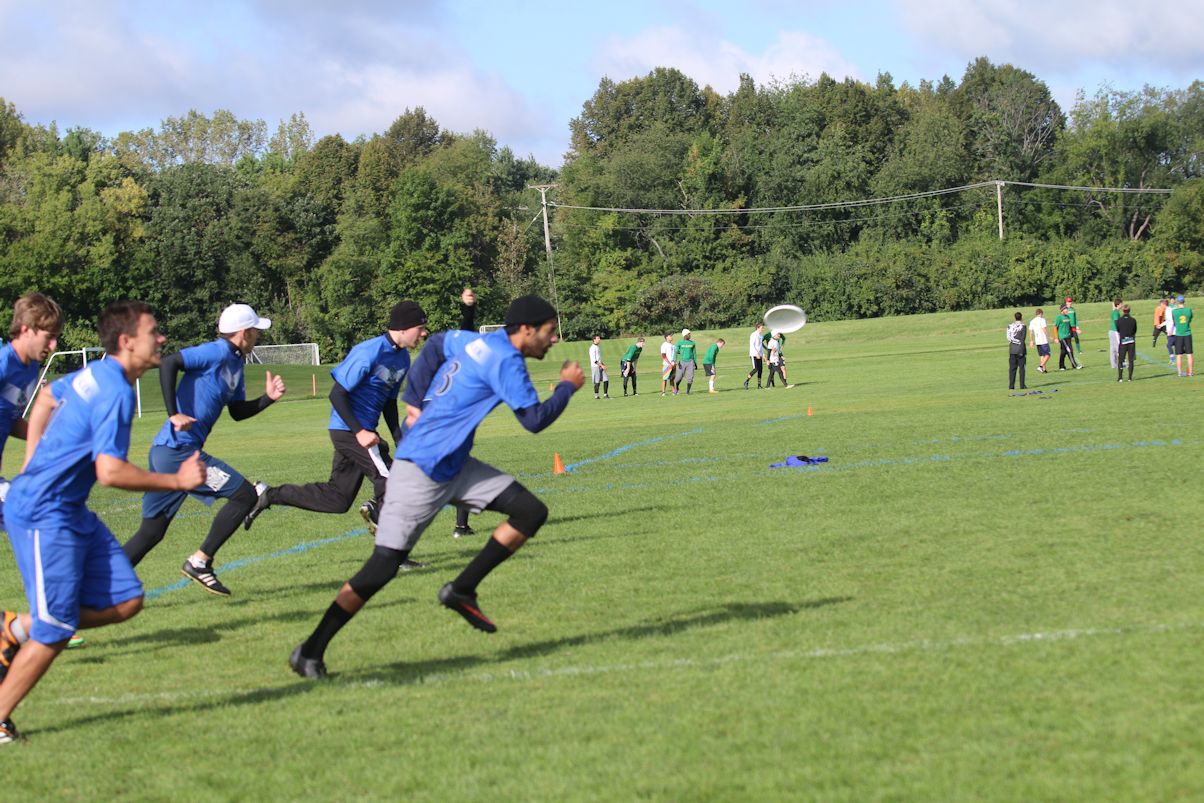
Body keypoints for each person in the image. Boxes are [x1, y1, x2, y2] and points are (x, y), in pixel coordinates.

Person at [287, 295, 584, 679]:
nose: (554, 339)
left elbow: (438, 344)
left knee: (530, 511)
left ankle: (462, 589)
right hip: (422, 470)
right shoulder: (507, 361)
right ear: (527, 330)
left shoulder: (477, 341)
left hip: (454, 464)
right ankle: (309, 651)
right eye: (550, 331)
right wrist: (566, 387)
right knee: (381, 568)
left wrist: (413, 399)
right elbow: (534, 420)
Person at [0, 300, 206, 744]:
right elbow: (109, 472)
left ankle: (14, 629)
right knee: (57, 629)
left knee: (127, 599)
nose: (162, 338)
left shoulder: (98, 373)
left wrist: (31, 456)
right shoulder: (114, 390)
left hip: (71, 510)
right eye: (154, 332)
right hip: (42, 511)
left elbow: (48, 397)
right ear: (127, 341)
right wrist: (177, 480)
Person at [241, 299, 431, 565]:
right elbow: (337, 394)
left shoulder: (402, 359)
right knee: (391, 481)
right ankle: (391, 554)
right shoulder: (368, 352)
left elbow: (388, 403)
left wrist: (400, 438)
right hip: (349, 431)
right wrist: (359, 431)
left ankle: (268, 494)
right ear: (403, 328)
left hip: (361, 433)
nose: (424, 333)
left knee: (337, 499)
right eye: (420, 328)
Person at [121, 303, 285, 597]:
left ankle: (99, 585)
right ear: (244, 333)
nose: (258, 336)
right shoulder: (217, 351)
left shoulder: (235, 364)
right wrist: (173, 414)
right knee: (245, 495)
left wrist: (268, 398)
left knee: (151, 532)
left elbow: (237, 411)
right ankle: (200, 562)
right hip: (179, 453)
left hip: (169, 453)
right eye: (255, 331)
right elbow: (169, 362)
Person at [0, 294, 62, 485]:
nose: (53, 346)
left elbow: (9, 419)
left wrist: (50, 437)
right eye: (49, 337)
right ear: (26, 330)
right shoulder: (3, 365)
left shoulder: (31, 368)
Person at [1172, 295, 1194, 377]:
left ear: (1177, 302)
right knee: (1189, 354)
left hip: (1178, 335)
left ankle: (1179, 373)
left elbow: (1174, 321)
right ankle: (1191, 372)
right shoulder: (1189, 310)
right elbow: (1190, 319)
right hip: (1187, 334)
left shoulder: (1174, 312)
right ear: (1184, 301)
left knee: (1179, 355)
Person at [1115, 304, 1137, 382]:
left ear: (1123, 311)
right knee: (1131, 360)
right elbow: (1135, 330)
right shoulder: (1133, 320)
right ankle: (1130, 378)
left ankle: (1120, 377)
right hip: (1131, 341)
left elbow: (1118, 330)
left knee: (1121, 360)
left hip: (1123, 342)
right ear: (1129, 310)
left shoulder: (1119, 320)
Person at [1054, 305, 1080, 371]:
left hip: (1068, 336)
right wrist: (1056, 338)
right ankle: (1074, 365)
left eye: (1067, 309)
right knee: (1069, 350)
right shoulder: (1059, 317)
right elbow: (1055, 328)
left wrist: (1075, 331)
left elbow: (1070, 327)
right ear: (1062, 310)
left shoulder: (1068, 317)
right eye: (1065, 309)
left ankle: (1061, 366)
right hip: (1062, 337)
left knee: (1063, 351)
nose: (1067, 310)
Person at [672, 329, 697, 395]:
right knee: (678, 378)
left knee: (690, 378)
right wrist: (674, 360)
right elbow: (675, 352)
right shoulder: (680, 342)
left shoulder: (692, 343)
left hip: (690, 362)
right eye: (689, 334)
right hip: (682, 362)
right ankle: (677, 388)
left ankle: (687, 392)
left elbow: (694, 353)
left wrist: (695, 362)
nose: (690, 335)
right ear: (685, 335)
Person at [1007, 312, 1027, 390]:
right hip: (1020, 349)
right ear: (1021, 317)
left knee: (1012, 369)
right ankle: (1022, 385)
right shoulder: (1023, 326)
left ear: (1014, 317)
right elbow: (1023, 339)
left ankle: (1011, 386)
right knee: (1021, 368)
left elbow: (1008, 338)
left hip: (1012, 349)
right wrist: (1022, 350)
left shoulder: (1010, 326)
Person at [1028, 308, 1051, 373]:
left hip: (1037, 340)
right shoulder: (1042, 320)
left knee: (1042, 355)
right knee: (1048, 354)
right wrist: (1049, 336)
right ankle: (1040, 366)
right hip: (1043, 340)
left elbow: (1031, 332)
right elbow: (1044, 329)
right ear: (1041, 313)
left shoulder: (1032, 321)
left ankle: (1044, 369)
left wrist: (1031, 340)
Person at [744, 322, 765, 390]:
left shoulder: (761, 336)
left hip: (760, 355)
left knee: (760, 370)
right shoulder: (753, 334)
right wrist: (756, 353)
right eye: (762, 328)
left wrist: (763, 355)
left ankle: (759, 385)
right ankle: (746, 381)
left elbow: (760, 347)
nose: (763, 329)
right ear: (758, 328)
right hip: (754, 355)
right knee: (755, 369)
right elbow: (752, 345)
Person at [589, 335, 609, 399]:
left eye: (599, 338)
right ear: (594, 340)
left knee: (606, 379)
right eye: (598, 338)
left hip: (600, 366)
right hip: (595, 367)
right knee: (597, 382)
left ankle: (605, 395)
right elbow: (594, 360)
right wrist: (601, 365)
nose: (599, 339)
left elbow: (599, 358)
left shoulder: (597, 347)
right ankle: (596, 395)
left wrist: (603, 364)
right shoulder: (592, 348)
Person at [1108, 298, 1123, 369]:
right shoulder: (1116, 313)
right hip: (1115, 331)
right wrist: (1120, 331)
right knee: (1118, 347)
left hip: (1112, 331)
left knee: (1113, 349)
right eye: (1121, 304)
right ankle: (1121, 363)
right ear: (1118, 305)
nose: (1122, 305)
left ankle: (1113, 364)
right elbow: (1116, 322)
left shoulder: (1115, 311)